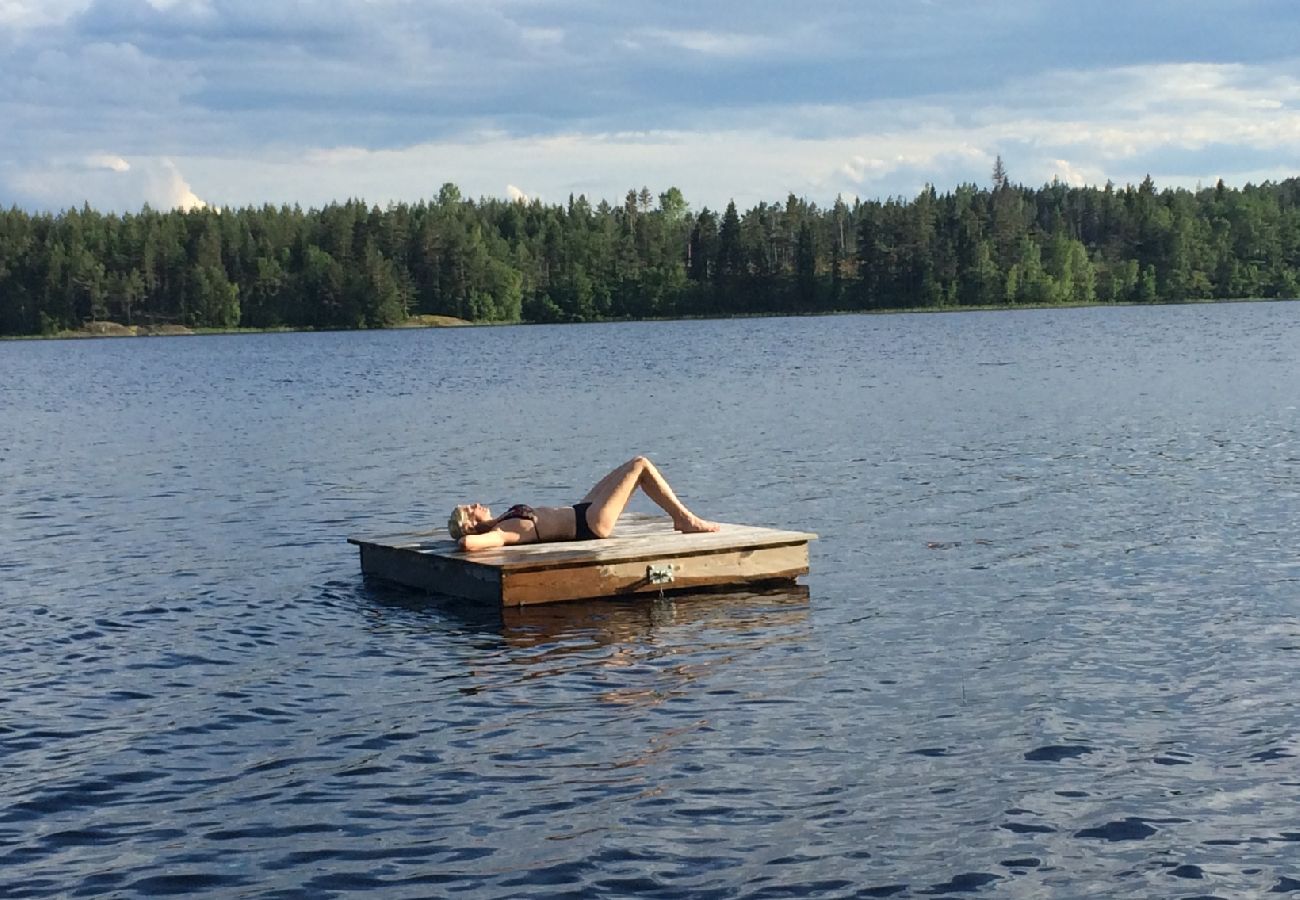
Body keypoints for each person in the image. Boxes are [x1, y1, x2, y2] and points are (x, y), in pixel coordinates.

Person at [448, 456, 719, 553]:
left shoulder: (501, 522)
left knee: (628, 467)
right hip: (590, 524)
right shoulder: (501, 532)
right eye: (471, 510)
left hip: (581, 512)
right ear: (471, 525)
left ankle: (684, 518)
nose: (476, 504)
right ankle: (685, 520)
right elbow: (467, 545)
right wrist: (473, 538)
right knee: (640, 465)